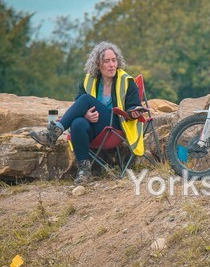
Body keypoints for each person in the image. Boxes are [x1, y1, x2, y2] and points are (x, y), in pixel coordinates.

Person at [29, 41, 146, 185]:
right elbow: (78, 107)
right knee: (77, 123)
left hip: (116, 127)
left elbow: (133, 106)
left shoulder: (126, 81)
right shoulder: (89, 81)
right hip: (95, 128)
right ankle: (84, 172)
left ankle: (53, 133)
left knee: (85, 99)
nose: (111, 65)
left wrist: (134, 112)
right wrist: (86, 116)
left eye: (114, 60)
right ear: (98, 64)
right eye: (106, 61)